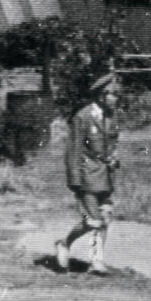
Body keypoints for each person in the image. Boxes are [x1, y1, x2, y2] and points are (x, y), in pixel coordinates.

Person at [54, 73, 120, 275]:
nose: (116, 99)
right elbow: (73, 150)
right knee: (94, 220)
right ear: (102, 95)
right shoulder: (82, 117)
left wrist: (114, 158)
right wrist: (74, 181)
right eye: (113, 95)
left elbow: (112, 143)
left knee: (104, 218)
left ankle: (96, 260)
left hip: (105, 177)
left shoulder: (111, 116)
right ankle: (64, 244)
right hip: (87, 177)